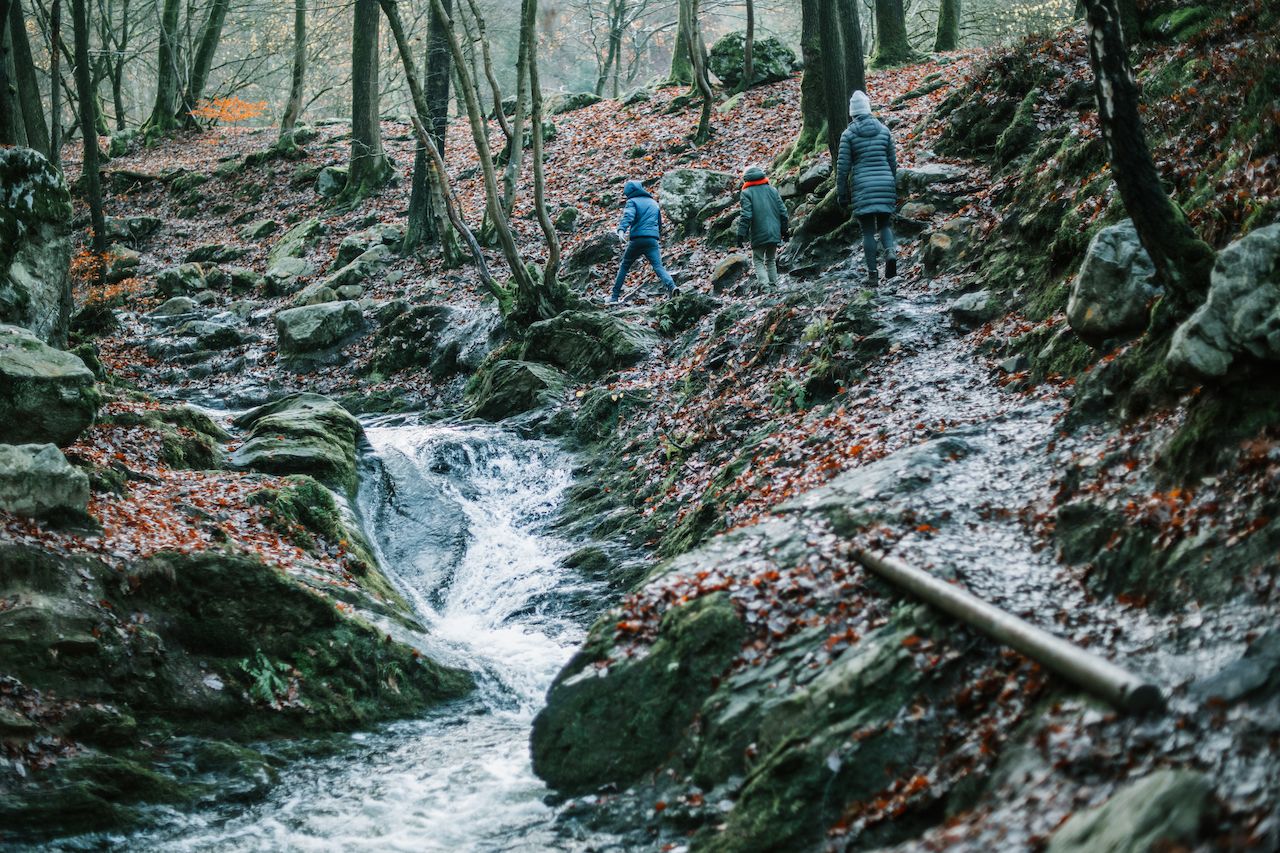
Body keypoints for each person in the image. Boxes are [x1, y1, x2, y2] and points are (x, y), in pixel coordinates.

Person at [836, 90, 899, 287]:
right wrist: (892, 183)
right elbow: (892, 162)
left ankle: (873, 275)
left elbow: (843, 167)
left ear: (852, 113)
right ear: (869, 109)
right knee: (885, 224)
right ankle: (890, 252)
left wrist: (842, 193)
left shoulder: (848, 134)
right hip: (885, 182)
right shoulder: (884, 130)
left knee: (868, 232)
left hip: (863, 186)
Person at [611, 180, 679, 303]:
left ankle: (614, 297)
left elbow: (628, 216)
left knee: (625, 266)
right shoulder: (653, 203)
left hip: (637, 240)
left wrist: (621, 230)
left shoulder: (632, 202)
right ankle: (672, 286)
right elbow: (659, 223)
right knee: (658, 267)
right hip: (652, 240)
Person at [737, 165, 790, 288]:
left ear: (746, 179)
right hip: (774, 232)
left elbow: (746, 215)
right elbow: (783, 212)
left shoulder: (746, 193)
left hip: (759, 232)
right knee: (771, 259)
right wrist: (785, 231)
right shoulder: (772, 190)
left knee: (758, 260)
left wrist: (740, 234)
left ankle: (765, 287)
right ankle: (774, 286)